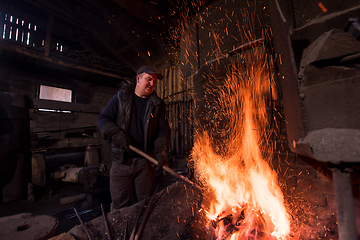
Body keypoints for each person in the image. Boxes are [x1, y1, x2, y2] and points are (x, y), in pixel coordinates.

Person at [97, 65, 170, 210]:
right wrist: (115, 133)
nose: (152, 84)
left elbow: (163, 130)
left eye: (154, 81)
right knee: (119, 206)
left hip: (145, 163)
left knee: (143, 205)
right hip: (121, 161)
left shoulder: (157, 104)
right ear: (138, 78)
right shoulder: (120, 98)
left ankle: (140, 231)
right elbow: (103, 119)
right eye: (149, 79)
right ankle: (120, 232)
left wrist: (161, 151)